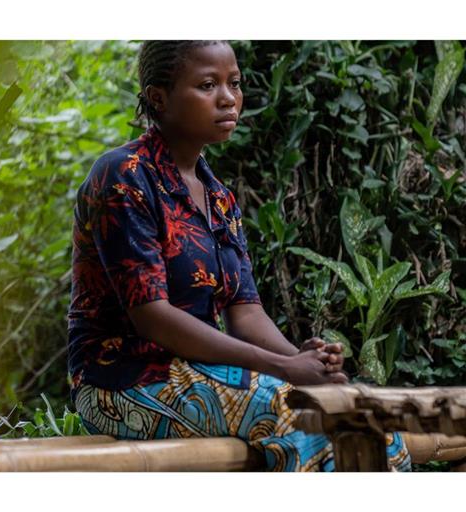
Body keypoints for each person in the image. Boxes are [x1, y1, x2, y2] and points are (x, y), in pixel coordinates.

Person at [66, 40, 410, 471]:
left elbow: (244, 313)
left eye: (234, 83)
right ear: (159, 98)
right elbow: (151, 316)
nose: (228, 98)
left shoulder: (219, 198)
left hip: (195, 372)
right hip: (120, 382)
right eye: (208, 85)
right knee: (304, 415)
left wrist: (303, 361)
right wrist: (283, 370)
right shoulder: (125, 176)